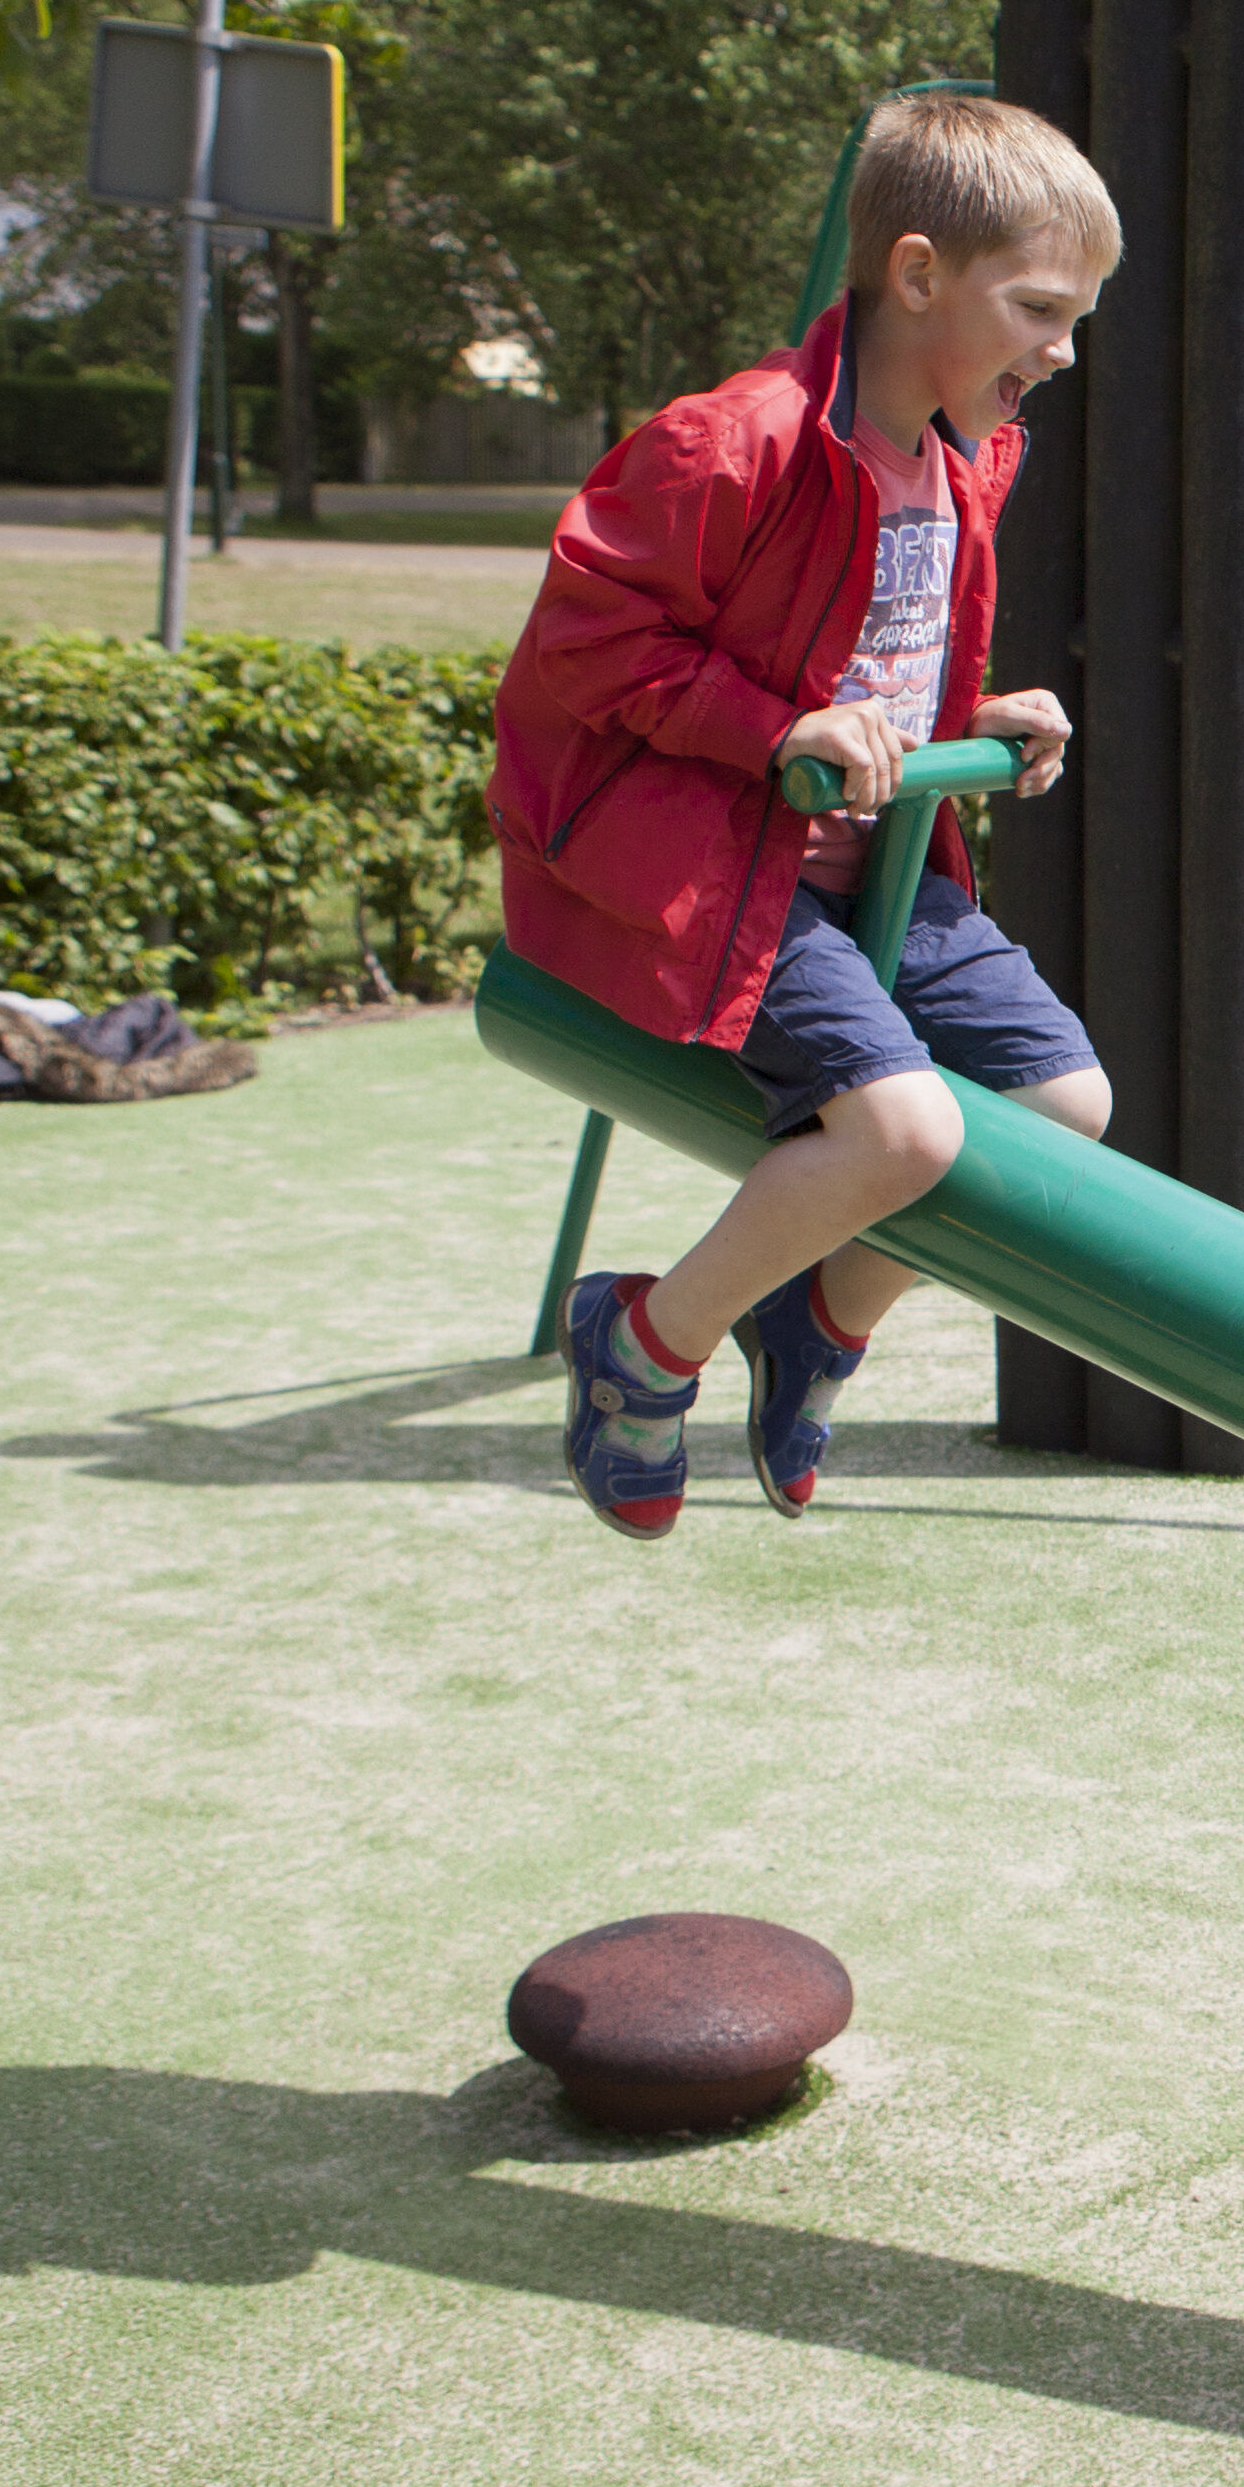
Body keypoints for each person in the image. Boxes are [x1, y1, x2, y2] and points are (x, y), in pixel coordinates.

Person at [497, 93, 1119, 1538]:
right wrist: (774, 731)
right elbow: (586, 647)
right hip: (722, 863)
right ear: (916, 275)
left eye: (1074, 315)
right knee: (902, 1137)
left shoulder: (968, 458)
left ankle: (817, 1322)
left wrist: (977, 729)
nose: (1061, 350)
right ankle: (647, 1338)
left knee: (1061, 1104)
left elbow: (865, 670)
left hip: (876, 863)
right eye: (1037, 307)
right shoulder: (731, 447)